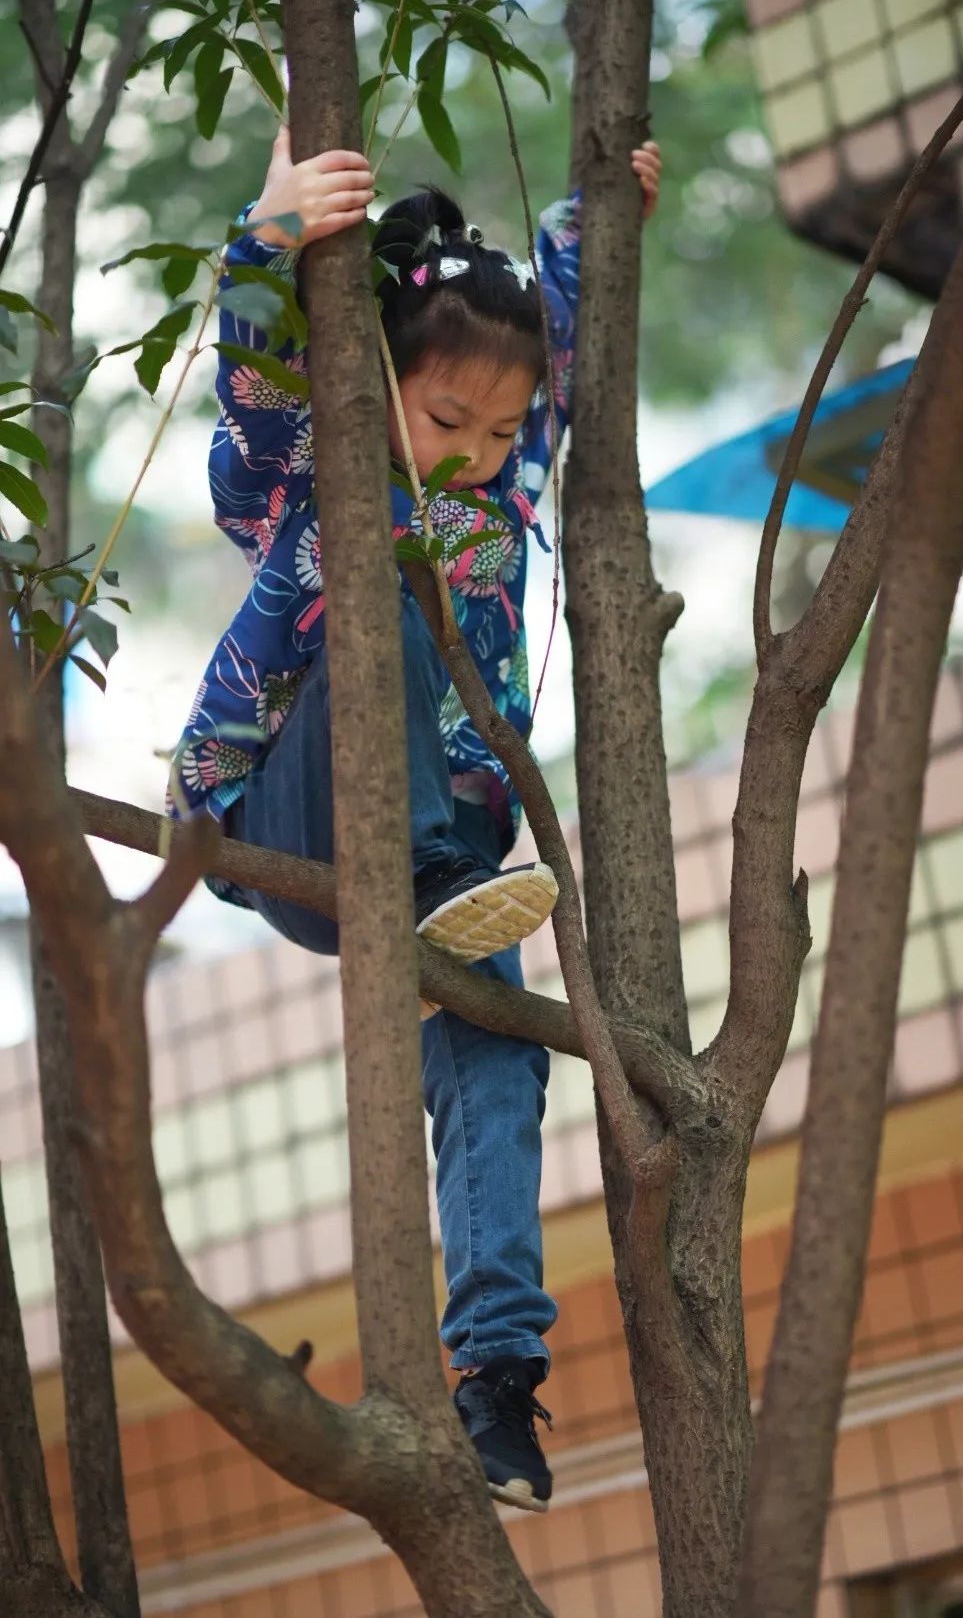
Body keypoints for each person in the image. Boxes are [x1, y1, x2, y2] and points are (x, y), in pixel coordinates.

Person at [171, 123, 662, 1512]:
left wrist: (599, 210)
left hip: (441, 873)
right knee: (385, 592)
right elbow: (256, 377)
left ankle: (500, 1385)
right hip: (286, 815)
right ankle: (445, 884)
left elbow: (551, 324)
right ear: (371, 382)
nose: (477, 453)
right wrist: (268, 238)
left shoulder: (499, 487)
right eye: (446, 421)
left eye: (502, 431)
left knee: (504, 1064)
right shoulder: (309, 464)